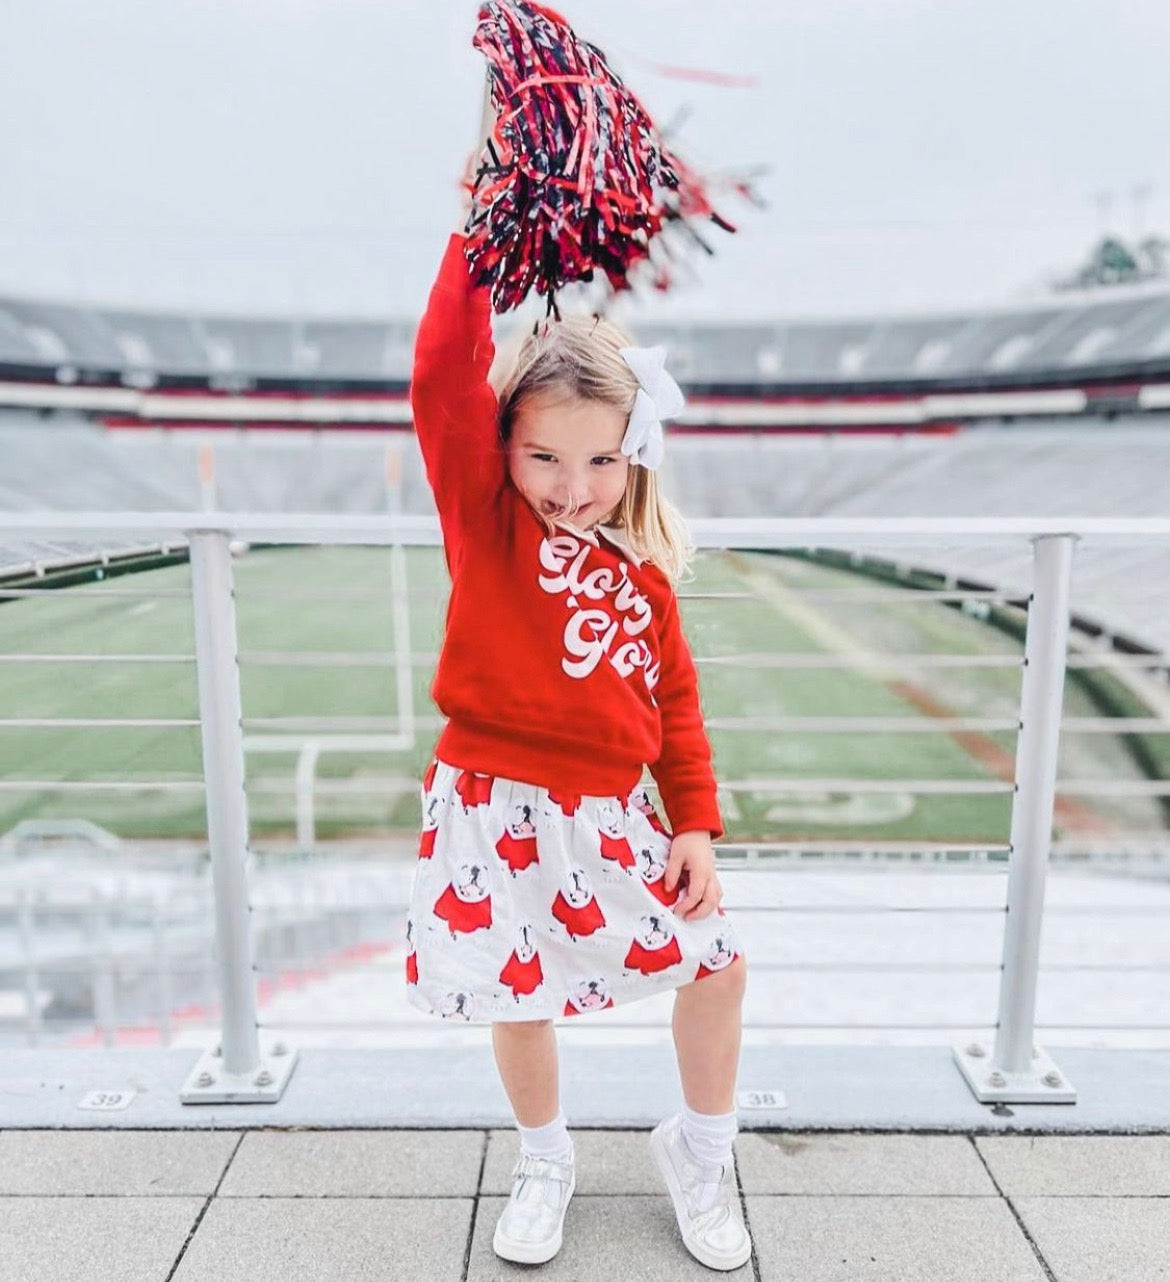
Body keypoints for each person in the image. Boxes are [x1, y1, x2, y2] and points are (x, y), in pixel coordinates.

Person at [401, 156, 751, 1274]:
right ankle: (544, 1156)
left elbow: (677, 706)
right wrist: (475, 223)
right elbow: (437, 373)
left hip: (611, 813)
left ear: (633, 456)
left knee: (717, 961)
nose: (569, 483)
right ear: (503, 444)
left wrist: (691, 822)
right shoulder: (484, 521)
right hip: (489, 803)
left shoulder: (643, 575)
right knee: (522, 990)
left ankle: (701, 1147)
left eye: (600, 459)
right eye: (543, 454)